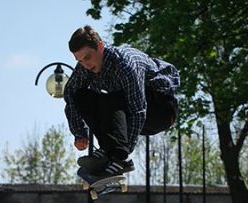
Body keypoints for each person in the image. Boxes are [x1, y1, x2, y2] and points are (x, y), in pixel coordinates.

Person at [64, 26, 180, 182]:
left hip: (161, 110)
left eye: (87, 57)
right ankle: (108, 150)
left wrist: (121, 156)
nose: (86, 65)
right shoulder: (85, 68)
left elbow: (138, 111)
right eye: (80, 61)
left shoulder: (124, 65)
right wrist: (79, 132)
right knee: (82, 96)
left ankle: (117, 156)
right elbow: (70, 93)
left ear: (100, 46)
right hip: (130, 111)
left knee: (112, 97)